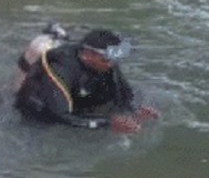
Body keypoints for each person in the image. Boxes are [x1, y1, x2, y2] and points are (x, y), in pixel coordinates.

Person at [13, 28, 158, 133]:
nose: (112, 64)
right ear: (88, 55)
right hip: (43, 111)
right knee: (10, 98)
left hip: (76, 95)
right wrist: (107, 124)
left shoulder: (106, 63)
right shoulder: (60, 69)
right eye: (107, 59)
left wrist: (134, 109)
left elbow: (124, 93)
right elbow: (58, 116)